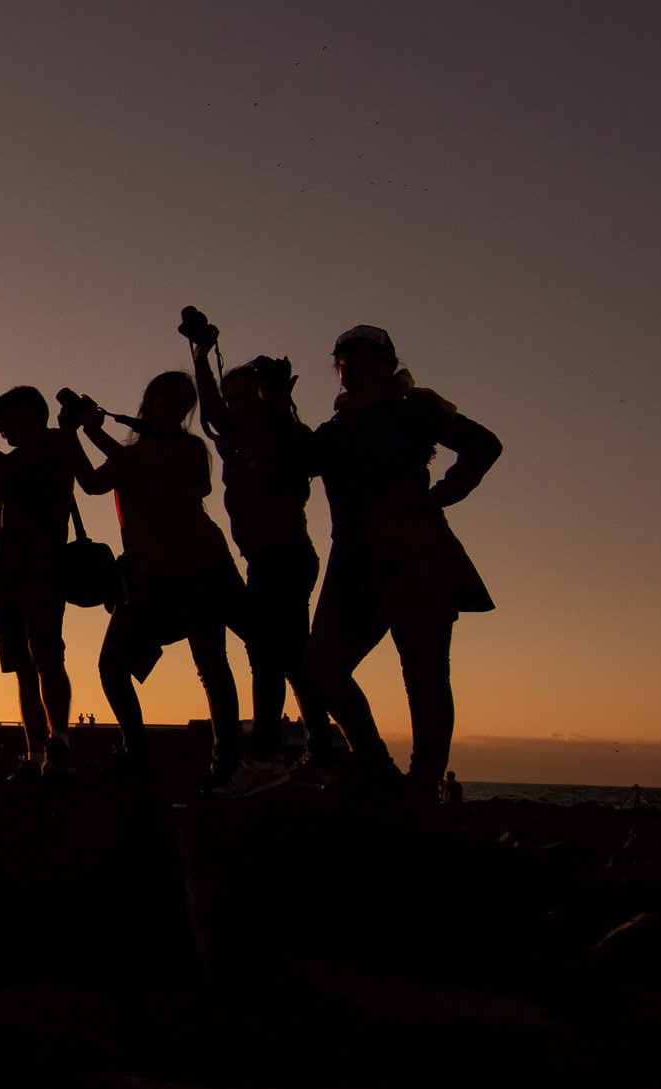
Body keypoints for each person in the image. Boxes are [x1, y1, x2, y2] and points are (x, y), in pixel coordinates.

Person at [303, 326, 502, 802]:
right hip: (353, 557)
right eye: (346, 361)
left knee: (425, 671)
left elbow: (483, 445)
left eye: (366, 358)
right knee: (320, 667)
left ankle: (424, 780)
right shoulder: (331, 432)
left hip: (412, 548)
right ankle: (374, 762)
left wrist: (438, 497)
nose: (354, 367)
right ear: (338, 370)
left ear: (388, 363)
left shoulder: (416, 409)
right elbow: (288, 462)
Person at [65, 373, 247, 787]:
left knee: (211, 665)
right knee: (112, 665)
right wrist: (70, 434)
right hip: (146, 576)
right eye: (170, 396)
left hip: (198, 568)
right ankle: (138, 756)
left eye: (186, 400)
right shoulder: (137, 450)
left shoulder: (187, 449)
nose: (178, 405)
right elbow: (93, 484)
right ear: (151, 399)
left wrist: (94, 432)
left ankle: (229, 761)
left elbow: (143, 471)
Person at [188, 330, 334, 798]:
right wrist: (201, 355)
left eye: (246, 394)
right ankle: (322, 752)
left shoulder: (282, 433)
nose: (237, 403)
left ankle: (266, 758)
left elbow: (309, 457)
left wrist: (277, 400)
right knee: (292, 659)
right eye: (234, 397)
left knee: (269, 659)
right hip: (264, 562)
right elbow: (211, 409)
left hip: (286, 558)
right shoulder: (235, 442)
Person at [0, 387, 78, 779]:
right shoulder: (20, 461)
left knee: (46, 657)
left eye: (4, 419)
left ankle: (59, 743)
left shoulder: (51, 444)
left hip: (39, 567)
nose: (2, 428)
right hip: (6, 571)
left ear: (28, 412)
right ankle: (36, 753)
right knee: (24, 667)